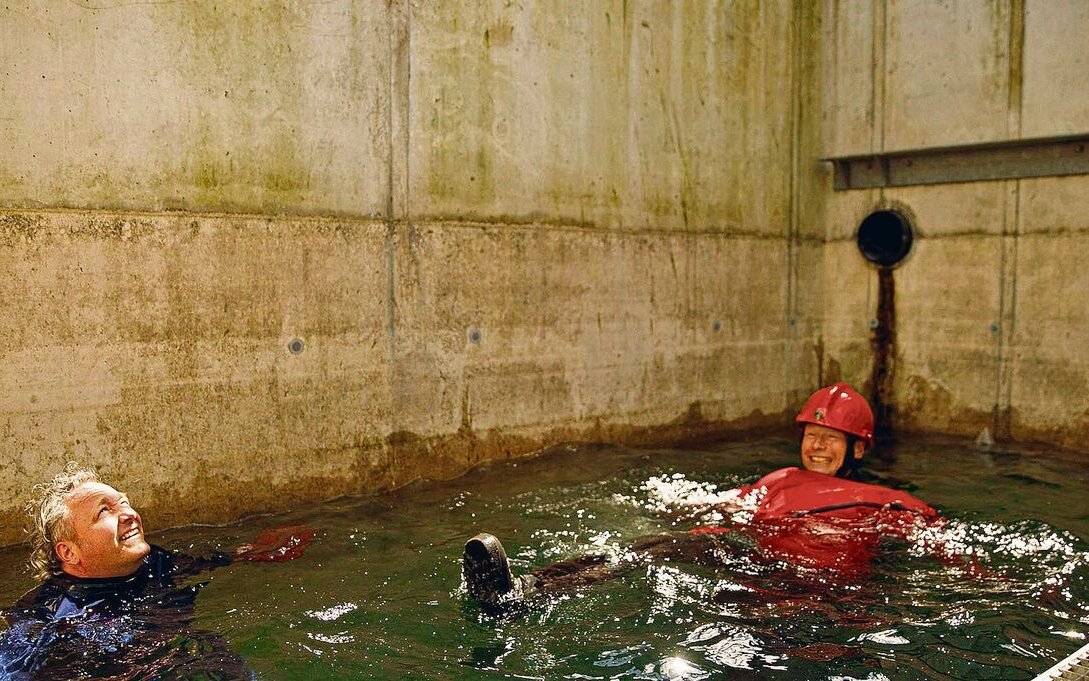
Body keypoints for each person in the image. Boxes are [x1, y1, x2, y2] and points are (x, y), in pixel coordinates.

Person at [462, 383, 941, 609]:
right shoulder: (781, 479)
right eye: (812, 434)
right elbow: (725, 503)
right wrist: (670, 499)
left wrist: (984, 574)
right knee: (652, 543)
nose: (818, 446)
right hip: (755, 564)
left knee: (668, 547)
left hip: (812, 586)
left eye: (831, 438)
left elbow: (941, 537)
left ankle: (522, 596)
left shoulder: (883, 499)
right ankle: (523, 589)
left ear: (857, 447)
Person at [1, 464, 313, 678]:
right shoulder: (45, 614)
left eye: (124, 502)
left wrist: (249, 553)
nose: (129, 514)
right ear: (69, 552)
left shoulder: (156, 563)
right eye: (104, 511)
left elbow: (200, 564)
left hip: (183, 655)